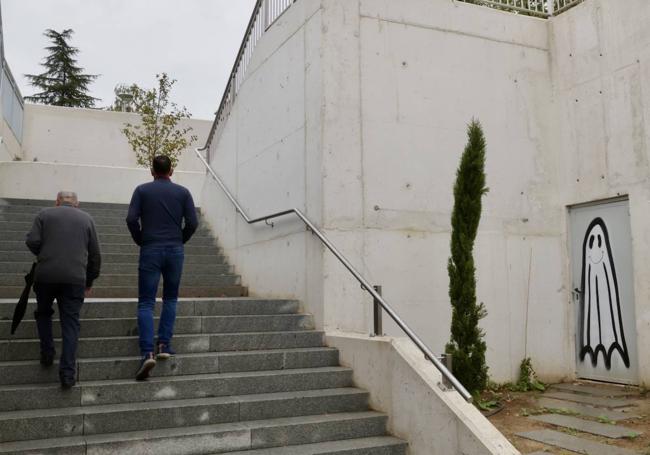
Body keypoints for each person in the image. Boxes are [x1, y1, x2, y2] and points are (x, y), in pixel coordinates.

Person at [126, 155, 198, 381]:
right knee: (170, 299)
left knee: (146, 302)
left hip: (151, 249)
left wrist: (141, 239)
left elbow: (130, 219)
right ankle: (164, 344)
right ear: (172, 170)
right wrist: (180, 239)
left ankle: (147, 351)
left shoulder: (142, 190)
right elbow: (193, 223)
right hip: (175, 250)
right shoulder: (183, 192)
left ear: (152, 171)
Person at [25, 191, 101, 389]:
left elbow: (32, 240)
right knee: (70, 324)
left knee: (43, 313)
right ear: (77, 204)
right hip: (75, 278)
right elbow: (95, 255)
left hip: (46, 276)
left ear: (57, 202)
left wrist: (45, 253)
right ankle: (67, 374)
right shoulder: (87, 219)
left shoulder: (44, 214)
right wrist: (89, 280)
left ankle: (47, 353)